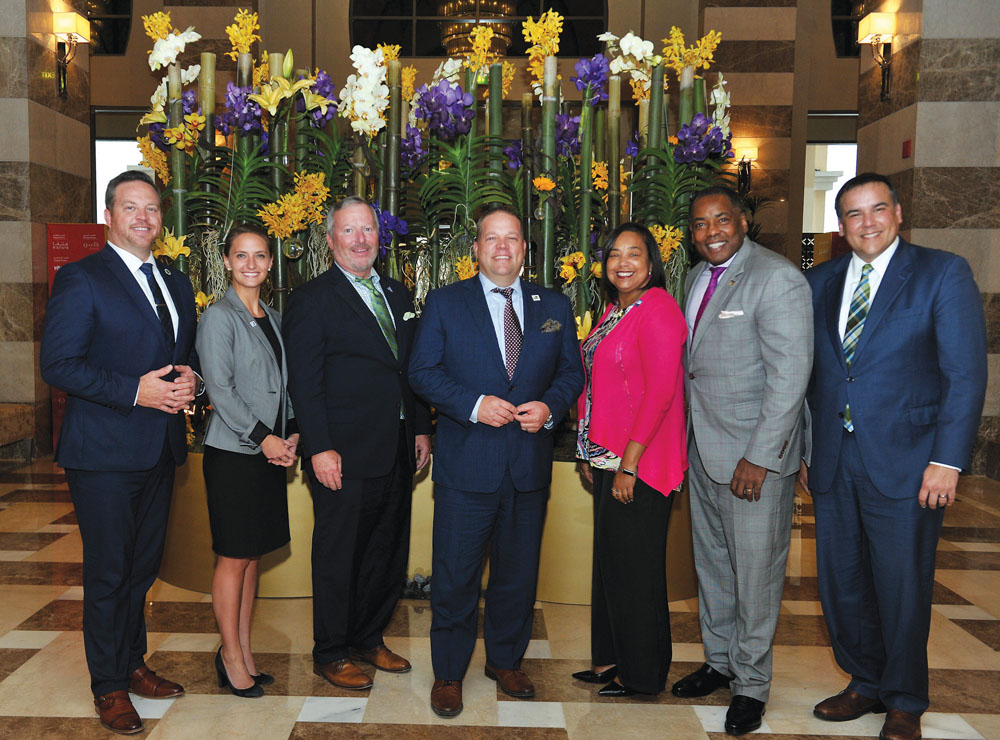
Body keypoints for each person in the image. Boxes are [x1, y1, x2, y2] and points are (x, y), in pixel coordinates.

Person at [802, 173, 987, 740]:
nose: (868, 223)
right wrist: (807, 450)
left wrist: (948, 461)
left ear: (899, 213)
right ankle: (865, 681)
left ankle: (905, 697)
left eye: (877, 209)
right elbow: (811, 374)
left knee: (902, 584)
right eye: (854, 214)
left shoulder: (942, 273)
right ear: (840, 226)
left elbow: (965, 374)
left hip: (910, 463)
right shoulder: (821, 281)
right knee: (843, 579)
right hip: (834, 459)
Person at [408, 205, 584, 718]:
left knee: (517, 574)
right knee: (455, 576)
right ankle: (448, 673)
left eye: (512, 238)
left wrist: (551, 407)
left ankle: (506, 661)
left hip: (528, 466)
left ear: (526, 248)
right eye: (492, 238)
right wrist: (474, 404)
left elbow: (571, 373)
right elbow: (423, 372)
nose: (502, 247)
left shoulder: (552, 304)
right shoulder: (445, 303)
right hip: (468, 465)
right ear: (477, 249)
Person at [40, 170, 198, 734]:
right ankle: (107, 685)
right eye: (131, 207)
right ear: (110, 215)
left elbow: (181, 357)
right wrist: (137, 391)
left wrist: (189, 384)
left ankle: (133, 663)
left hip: (159, 449)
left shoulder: (176, 283)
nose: (143, 218)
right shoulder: (82, 279)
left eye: (152, 208)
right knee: (109, 573)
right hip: (103, 453)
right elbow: (58, 365)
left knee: (141, 569)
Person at [672, 186, 813, 735]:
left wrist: (760, 457)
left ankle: (751, 685)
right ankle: (720, 661)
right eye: (701, 223)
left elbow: (790, 375)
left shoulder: (777, 278)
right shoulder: (694, 278)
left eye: (722, 220)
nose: (712, 231)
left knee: (755, 574)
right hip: (703, 452)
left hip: (752, 460)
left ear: (744, 222)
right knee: (714, 567)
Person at [283, 196, 431, 691]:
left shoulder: (397, 291)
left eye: (368, 230)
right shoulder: (311, 299)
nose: (361, 239)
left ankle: (369, 637)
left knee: (386, 551)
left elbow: (406, 369)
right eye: (350, 231)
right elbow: (304, 382)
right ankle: (331, 650)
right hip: (341, 455)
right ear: (330, 240)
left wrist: (421, 428)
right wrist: (319, 447)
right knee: (339, 554)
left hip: (394, 449)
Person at [572, 223, 688, 697]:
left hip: (641, 462)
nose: (622, 262)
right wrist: (589, 451)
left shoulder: (659, 308)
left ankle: (642, 674)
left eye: (633, 253)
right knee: (612, 565)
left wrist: (629, 464)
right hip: (607, 458)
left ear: (651, 261)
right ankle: (610, 659)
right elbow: (598, 385)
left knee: (636, 571)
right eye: (614, 254)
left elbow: (661, 393)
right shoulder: (616, 310)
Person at [196, 224, 298, 698]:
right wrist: (264, 437)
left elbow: (283, 385)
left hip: (270, 452)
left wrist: (292, 430)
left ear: (271, 262)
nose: (251, 264)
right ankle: (229, 654)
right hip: (235, 453)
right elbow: (221, 390)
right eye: (242, 256)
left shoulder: (273, 317)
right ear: (226, 261)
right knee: (233, 557)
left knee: (253, 556)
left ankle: (243, 649)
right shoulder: (219, 318)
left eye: (260, 255)